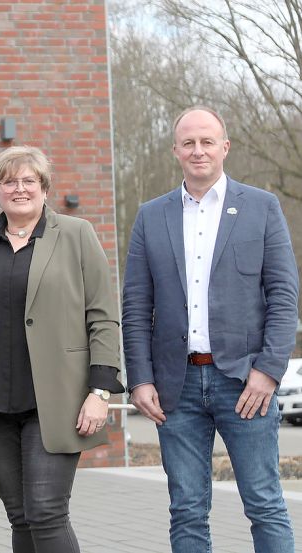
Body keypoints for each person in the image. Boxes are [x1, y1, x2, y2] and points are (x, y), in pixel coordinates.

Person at [122, 106, 298, 552]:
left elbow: (283, 295)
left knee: (263, 502)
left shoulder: (261, 207)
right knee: (186, 509)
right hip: (174, 389)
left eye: (206, 142)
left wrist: (269, 370)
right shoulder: (151, 216)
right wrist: (140, 379)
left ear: (225, 147)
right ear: (175, 151)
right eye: (188, 143)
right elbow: (137, 306)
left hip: (244, 382)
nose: (197, 151)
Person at [0, 146, 123, 552]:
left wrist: (100, 392)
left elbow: (104, 318)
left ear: (44, 188)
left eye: (29, 181)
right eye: (9, 181)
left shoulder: (77, 235)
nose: (19, 189)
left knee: (46, 510)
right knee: (20, 515)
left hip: (57, 402)